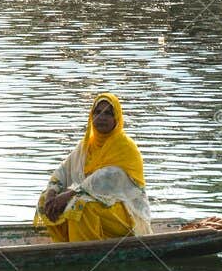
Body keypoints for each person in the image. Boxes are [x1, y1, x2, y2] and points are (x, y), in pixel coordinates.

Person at [35, 93, 152, 242]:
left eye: (108, 113)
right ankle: (65, 243)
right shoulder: (86, 146)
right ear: (91, 116)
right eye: (98, 112)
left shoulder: (125, 147)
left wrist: (68, 195)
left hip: (128, 215)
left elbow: (105, 178)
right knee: (45, 200)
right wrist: (52, 192)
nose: (102, 117)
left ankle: (82, 249)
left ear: (116, 118)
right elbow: (63, 171)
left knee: (81, 206)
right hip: (99, 208)